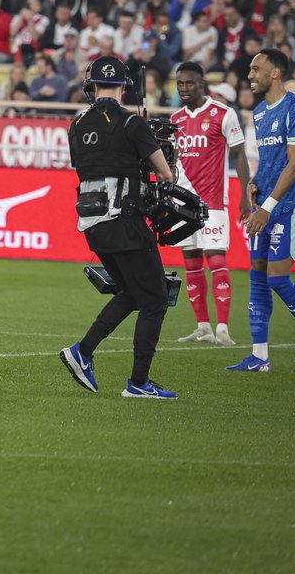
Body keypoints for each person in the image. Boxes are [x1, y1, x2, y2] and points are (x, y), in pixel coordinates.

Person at [59, 56, 178, 399]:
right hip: (126, 223)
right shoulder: (131, 123)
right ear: (125, 86)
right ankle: (138, 383)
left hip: (93, 225)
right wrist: (152, 146)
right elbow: (166, 175)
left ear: (92, 86)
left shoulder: (77, 124)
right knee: (155, 298)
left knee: (131, 291)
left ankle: (82, 351)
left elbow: (92, 165)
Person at [226, 49, 295, 374]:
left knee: (278, 279)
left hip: (289, 205)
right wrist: (254, 183)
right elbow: (271, 159)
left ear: (275, 72)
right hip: (265, 203)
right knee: (258, 275)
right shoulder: (259, 112)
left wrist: (268, 207)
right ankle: (259, 356)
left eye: (256, 69)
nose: (250, 75)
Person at [170, 63, 251, 347]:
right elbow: (172, 162)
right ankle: (203, 327)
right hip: (182, 203)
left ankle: (223, 330)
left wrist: (246, 194)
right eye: (180, 84)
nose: (184, 89)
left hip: (213, 204)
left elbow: (239, 154)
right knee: (191, 266)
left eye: (189, 83)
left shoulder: (223, 114)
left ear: (202, 84)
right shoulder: (175, 119)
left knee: (216, 262)